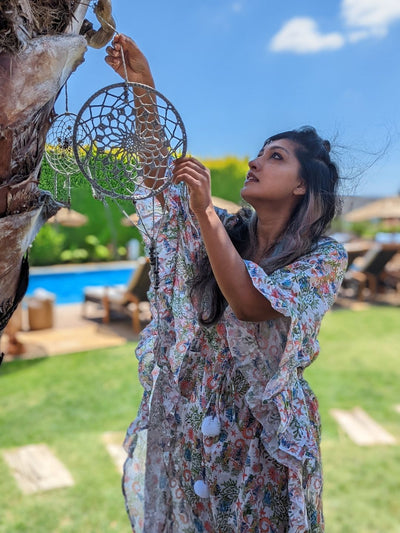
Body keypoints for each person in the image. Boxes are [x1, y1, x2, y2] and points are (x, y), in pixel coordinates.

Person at [105, 34, 348, 533]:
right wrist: (143, 86)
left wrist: (204, 214)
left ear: (302, 184)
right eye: (259, 153)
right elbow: (162, 183)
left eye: (276, 157)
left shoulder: (325, 257)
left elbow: (250, 303)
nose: (255, 161)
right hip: (197, 427)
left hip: (265, 440)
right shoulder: (228, 230)